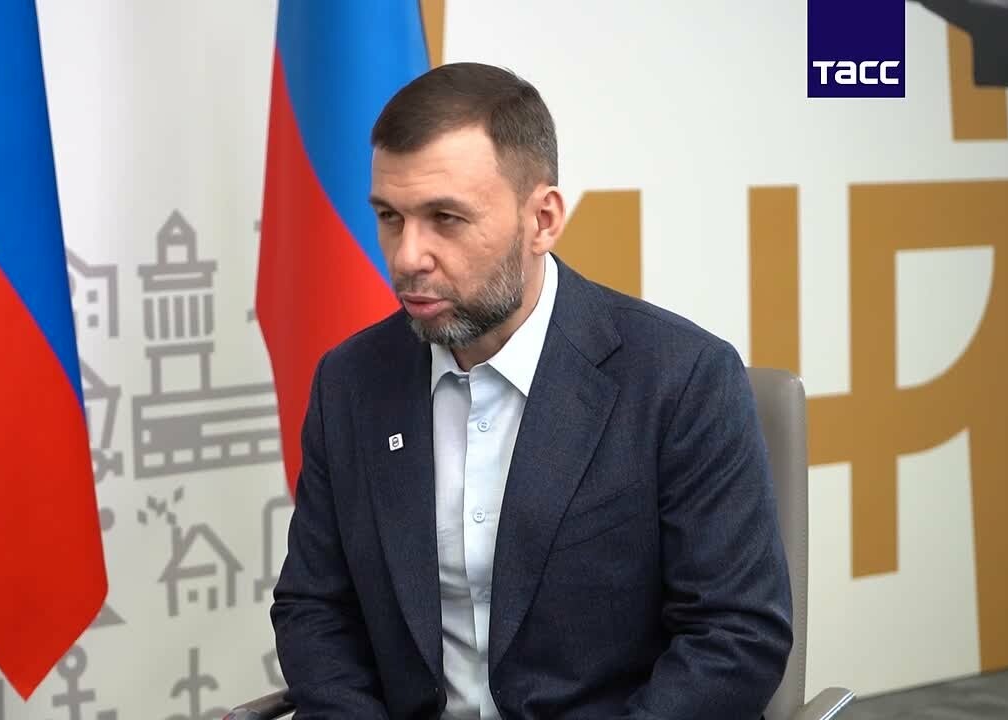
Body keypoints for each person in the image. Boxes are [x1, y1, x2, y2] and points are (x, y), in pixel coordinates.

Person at [270, 62, 793, 720]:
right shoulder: (351, 382)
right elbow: (315, 608)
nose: (406, 257)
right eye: (389, 217)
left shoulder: (680, 379)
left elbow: (735, 636)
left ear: (542, 219)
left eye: (446, 218)